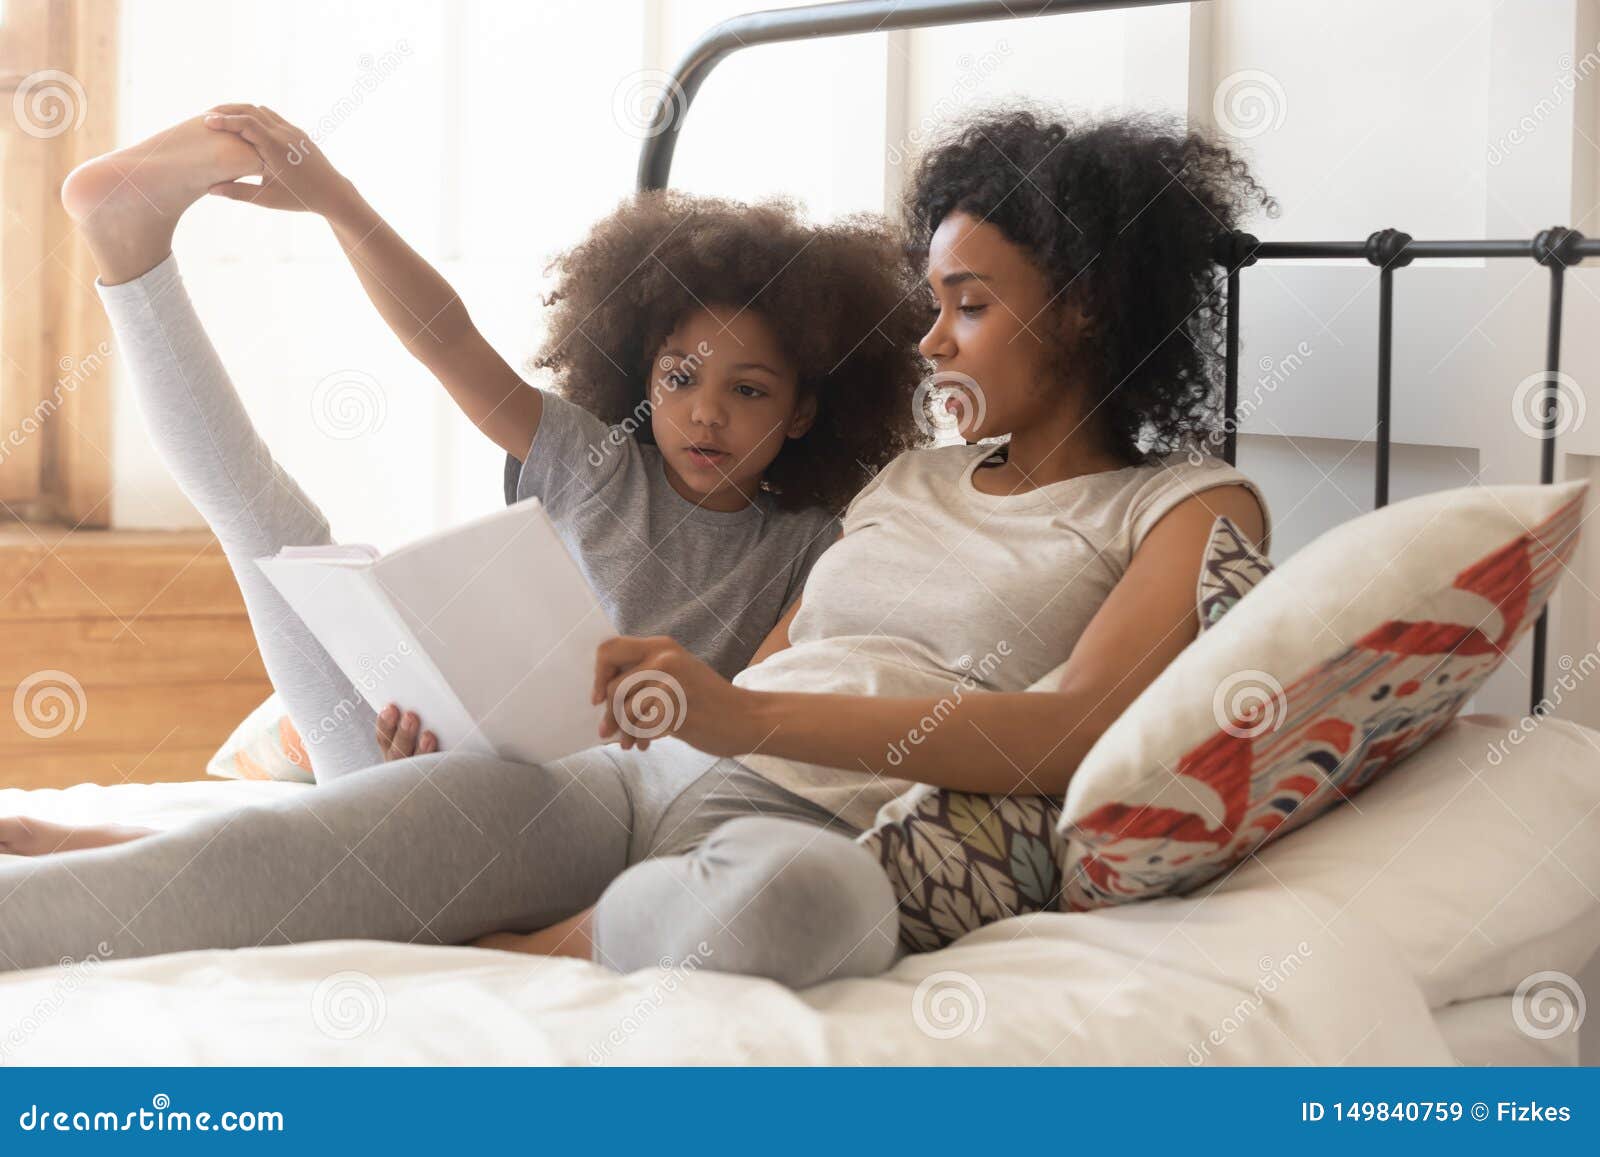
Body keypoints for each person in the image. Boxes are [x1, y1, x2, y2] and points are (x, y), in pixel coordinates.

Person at [0, 107, 1273, 990]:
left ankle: (515, 944)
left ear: (1091, 308)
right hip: (625, 779)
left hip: (794, 818)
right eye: (933, 303)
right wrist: (691, 714)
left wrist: (738, 720)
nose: (931, 341)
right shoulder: (904, 479)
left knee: (811, 905)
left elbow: (1063, 730)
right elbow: (785, 658)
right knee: (352, 830)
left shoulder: (1188, 507)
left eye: (969, 306)